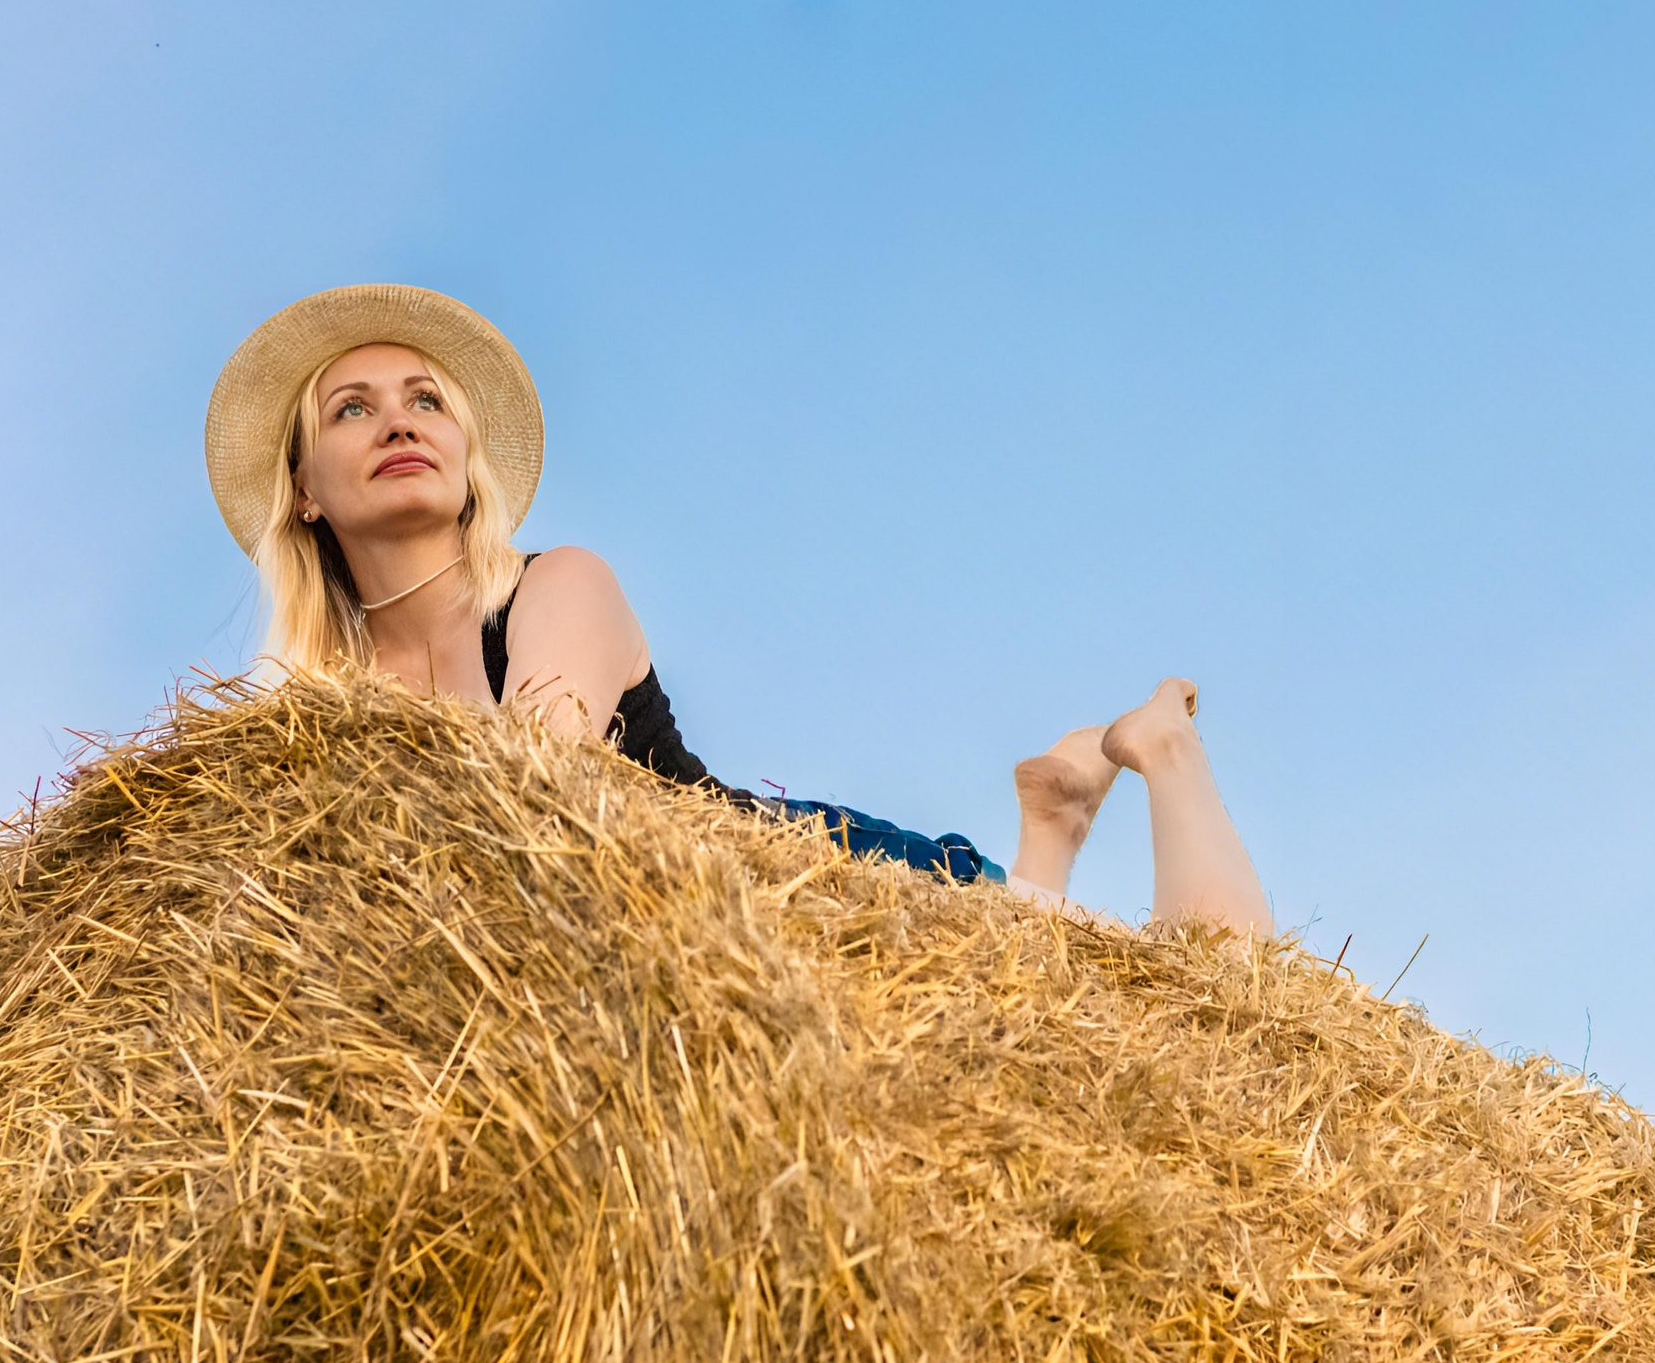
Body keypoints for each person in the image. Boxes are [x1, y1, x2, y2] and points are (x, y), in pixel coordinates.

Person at [206, 283, 1272, 936]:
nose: (400, 423)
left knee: (1210, 991)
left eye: (426, 401)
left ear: (465, 458)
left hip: (819, 892)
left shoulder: (558, 585)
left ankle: (1162, 747)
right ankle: (1052, 822)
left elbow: (533, 791)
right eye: (353, 410)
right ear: (303, 490)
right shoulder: (315, 711)